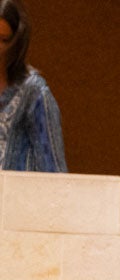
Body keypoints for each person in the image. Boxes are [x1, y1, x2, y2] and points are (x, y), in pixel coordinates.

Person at [0, 0, 66, 172]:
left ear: (16, 44)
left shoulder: (34, 93)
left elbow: (54, 175)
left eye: (3, 40)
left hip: (17, 198)